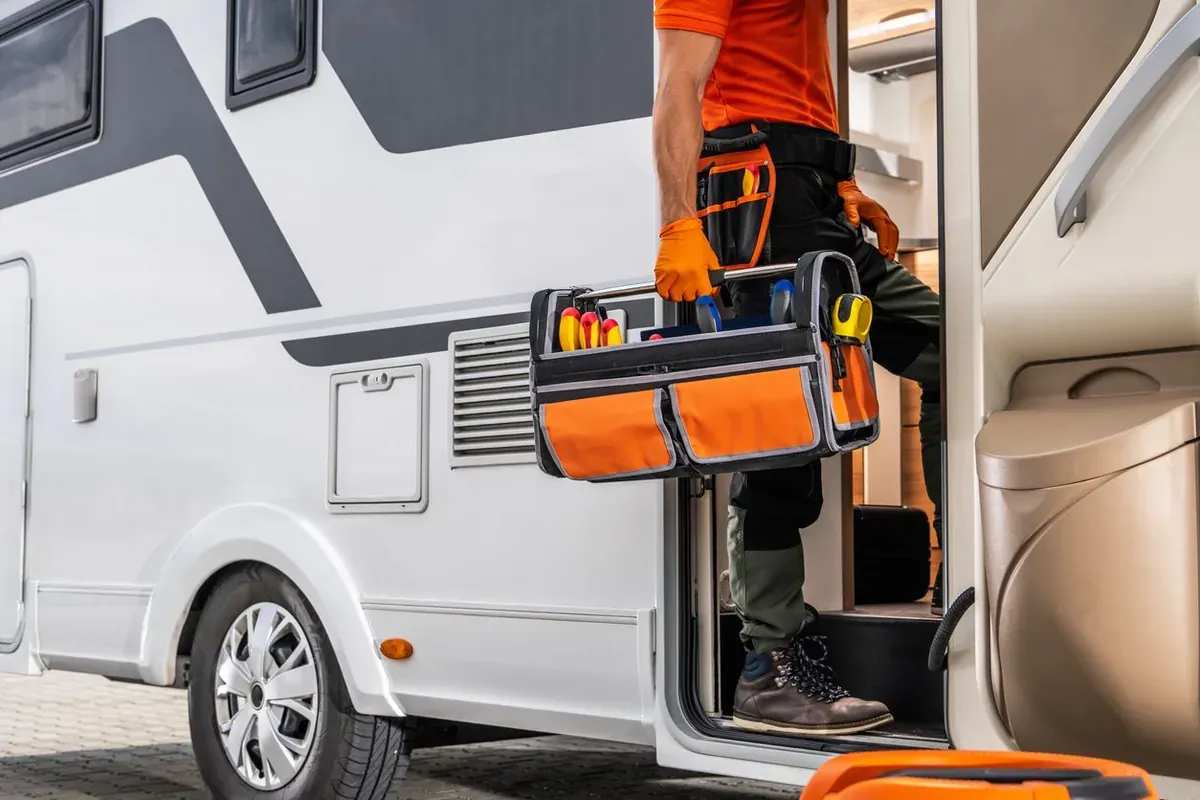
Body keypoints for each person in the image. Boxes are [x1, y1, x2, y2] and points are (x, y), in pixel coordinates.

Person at [651, 0, 943, 737]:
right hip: (758, 192)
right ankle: (767, 667)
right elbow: (679, 84)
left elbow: (800, 82)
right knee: (782, 429)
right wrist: (680, 221)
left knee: (956, 353)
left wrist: (842, 185)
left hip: (813, 193)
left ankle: (962, 571)